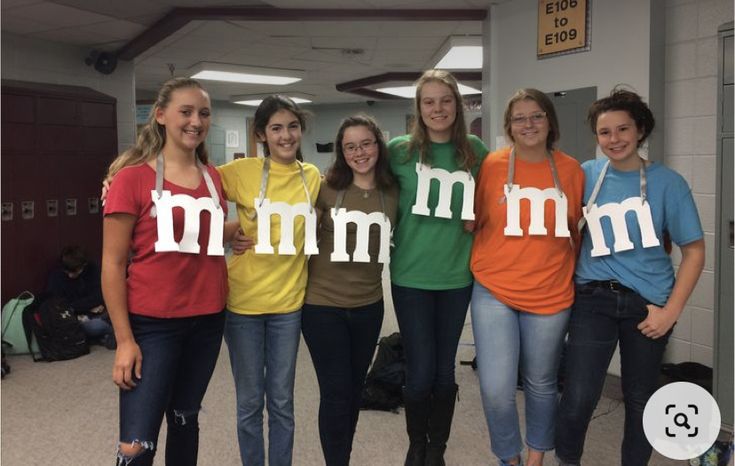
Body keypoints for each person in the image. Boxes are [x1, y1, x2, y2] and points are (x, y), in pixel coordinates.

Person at [555, 89, 705, 466]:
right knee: (579, 396)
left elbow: (695, 252)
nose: (614, 139)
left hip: (649, 304)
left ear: (640, 130)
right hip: (593, 299)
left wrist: (670, 312)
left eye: (623, 129)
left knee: (641, 399)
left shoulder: (668, 183)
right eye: (604, 132)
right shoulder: (585, 174)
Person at [102, 77, 238, 466]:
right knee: (137, 443)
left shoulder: (213, 178)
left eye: (204, 113)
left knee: (185, 421)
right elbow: (112, 264)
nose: (196, 121)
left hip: (209, 320)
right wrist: (124, 340)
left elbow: (193, 233)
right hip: (153, 325)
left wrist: (233, 232)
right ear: (160, 115)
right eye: (186, 111)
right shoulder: (131, 179)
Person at [469, 89, 584, 466]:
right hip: (494, 288)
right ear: (509, 127)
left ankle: (535, 457)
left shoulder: (571, 170)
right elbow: (477, 221)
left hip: (550, 292)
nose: (529, 124)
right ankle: (508, 457)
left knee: (541, 382)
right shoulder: (492, 165)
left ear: (550, 122)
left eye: (536, 116)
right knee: (497, 388)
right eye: (519, 118)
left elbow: (576, 231)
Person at [388, 69, 489, 466]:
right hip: (410, 274)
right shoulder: (399, 151)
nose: (437, 109)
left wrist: (478, 215)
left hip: (456, 276)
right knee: (419, 369)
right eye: (428, 102)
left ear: (458, 106)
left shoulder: (475, 150)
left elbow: (496, 199)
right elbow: (366, 189)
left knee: (444, 372)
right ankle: (416, 445)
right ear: (418, 108)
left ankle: (436, 450)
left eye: (445, 101)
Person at [217, 95, 320, 466]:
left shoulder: (311, 178)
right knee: (248, 402)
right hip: (242, 305)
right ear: (261, 134)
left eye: (292, 126)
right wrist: (229, 231)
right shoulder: (242, 171)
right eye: (276, 128)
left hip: (288, 307)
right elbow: (190, 187)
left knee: (281, 401)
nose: (286, 135)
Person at [301, 114, 398, 466]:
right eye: (350, 146)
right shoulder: (324, 186)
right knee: (337, 392)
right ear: (341, 152)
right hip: (322, 307)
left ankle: (343, 456)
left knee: (354, 391)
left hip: (369, 306)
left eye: (366, 143)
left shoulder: (393, 191)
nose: (359, 152)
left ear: (378, 145)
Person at [46, 245, 116, 348]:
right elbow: (59, 305)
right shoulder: (56, 278)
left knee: (115, 312)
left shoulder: (93, 270)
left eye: (75, 271)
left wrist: (81, 306)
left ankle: (109, 335)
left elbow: (99, 296)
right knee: (94, 326)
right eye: (67, 272)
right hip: (75, 318)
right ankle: (109, 334)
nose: (70, 275)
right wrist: (85, 308)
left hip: (97, 313)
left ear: (84, 265)